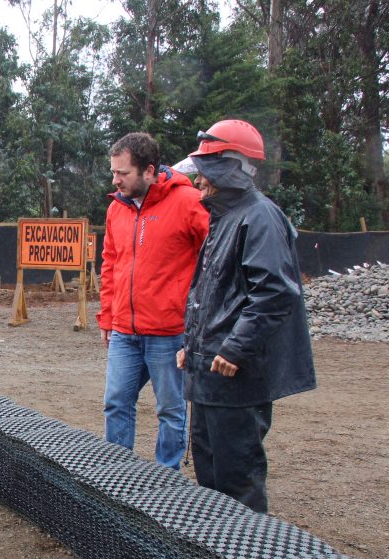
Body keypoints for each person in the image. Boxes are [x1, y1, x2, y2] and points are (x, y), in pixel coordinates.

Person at [177, 119, 316, 513]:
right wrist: (193, 346)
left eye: (205, 169)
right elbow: (211, 293)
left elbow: (273, 292)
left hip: (238, 377)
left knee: (238, 479)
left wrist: (235, 349)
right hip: (211, 373)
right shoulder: (224, 218)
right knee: (210, 474)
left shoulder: (260, 217)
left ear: (230, 166)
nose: (198, 180)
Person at [98, 132, 210, 469]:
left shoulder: (189, 202)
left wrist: (197, 315)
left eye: (123, 173)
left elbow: (217, 258)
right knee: (116, 402)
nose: (115, 180)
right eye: (114, 172)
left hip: (169, 331)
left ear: (148, 171)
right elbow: (110, 263)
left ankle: (167, 479)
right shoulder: (116, 209)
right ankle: (119, 476)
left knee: (171, 410)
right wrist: (107, 317)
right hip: (124, 330)